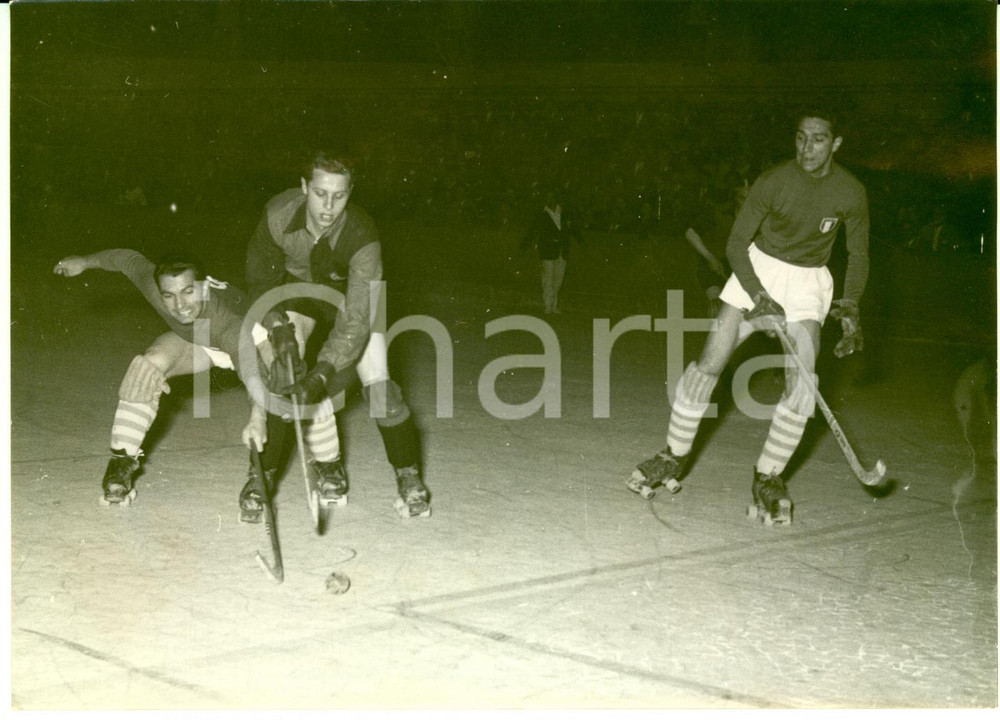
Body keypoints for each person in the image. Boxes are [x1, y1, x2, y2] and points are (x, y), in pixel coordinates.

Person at [627, 107, 869, 525]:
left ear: (836, 143)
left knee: (802, 385)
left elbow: (859, 254)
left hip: (808, 283)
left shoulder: (851, 191)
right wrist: (759, 295)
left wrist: (850, 305)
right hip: (755, 271)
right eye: (800, 137)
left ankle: (768, 477)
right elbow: (737, 244)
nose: (806, 148)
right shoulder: (774, 181)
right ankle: (674, 455)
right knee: (709, 364)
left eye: (818, 139)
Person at [245, 150, 430, 518]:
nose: (328, 206)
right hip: (300, 295)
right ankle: (259, 478)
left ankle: (409, 478)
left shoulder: (363, 236)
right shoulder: (277, 214)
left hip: (351, 304)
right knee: (283, 373)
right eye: (319, 193)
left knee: (381, 390)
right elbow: (260, 281)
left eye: (340, 195)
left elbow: (358, 319)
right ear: (303, 187)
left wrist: (324, 371)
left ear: (351, 192)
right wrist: (278, 325)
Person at [521, 190, 583, 314]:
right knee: (548, 278)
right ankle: (548, 305)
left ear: (556, 198)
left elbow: (574, 228)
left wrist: (581, 241)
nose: (549, 200)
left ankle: (554, 305)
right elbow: (533, 229)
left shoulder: (565, 212)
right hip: (547, 250)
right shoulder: (541, 213)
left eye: (551, 197)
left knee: (558, 279)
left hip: (562, 250)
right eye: (547, 197)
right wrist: (525, 245)